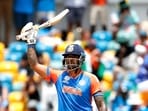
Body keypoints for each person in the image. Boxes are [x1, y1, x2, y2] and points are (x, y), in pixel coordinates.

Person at [18, 22, 106, 111]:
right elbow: (34, 65)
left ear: (81, 59)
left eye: (73, 57)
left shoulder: (91, 79)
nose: (70, 60)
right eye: (68, 57)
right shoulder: (58, 76)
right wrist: (30, 42)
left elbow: (101, 105)